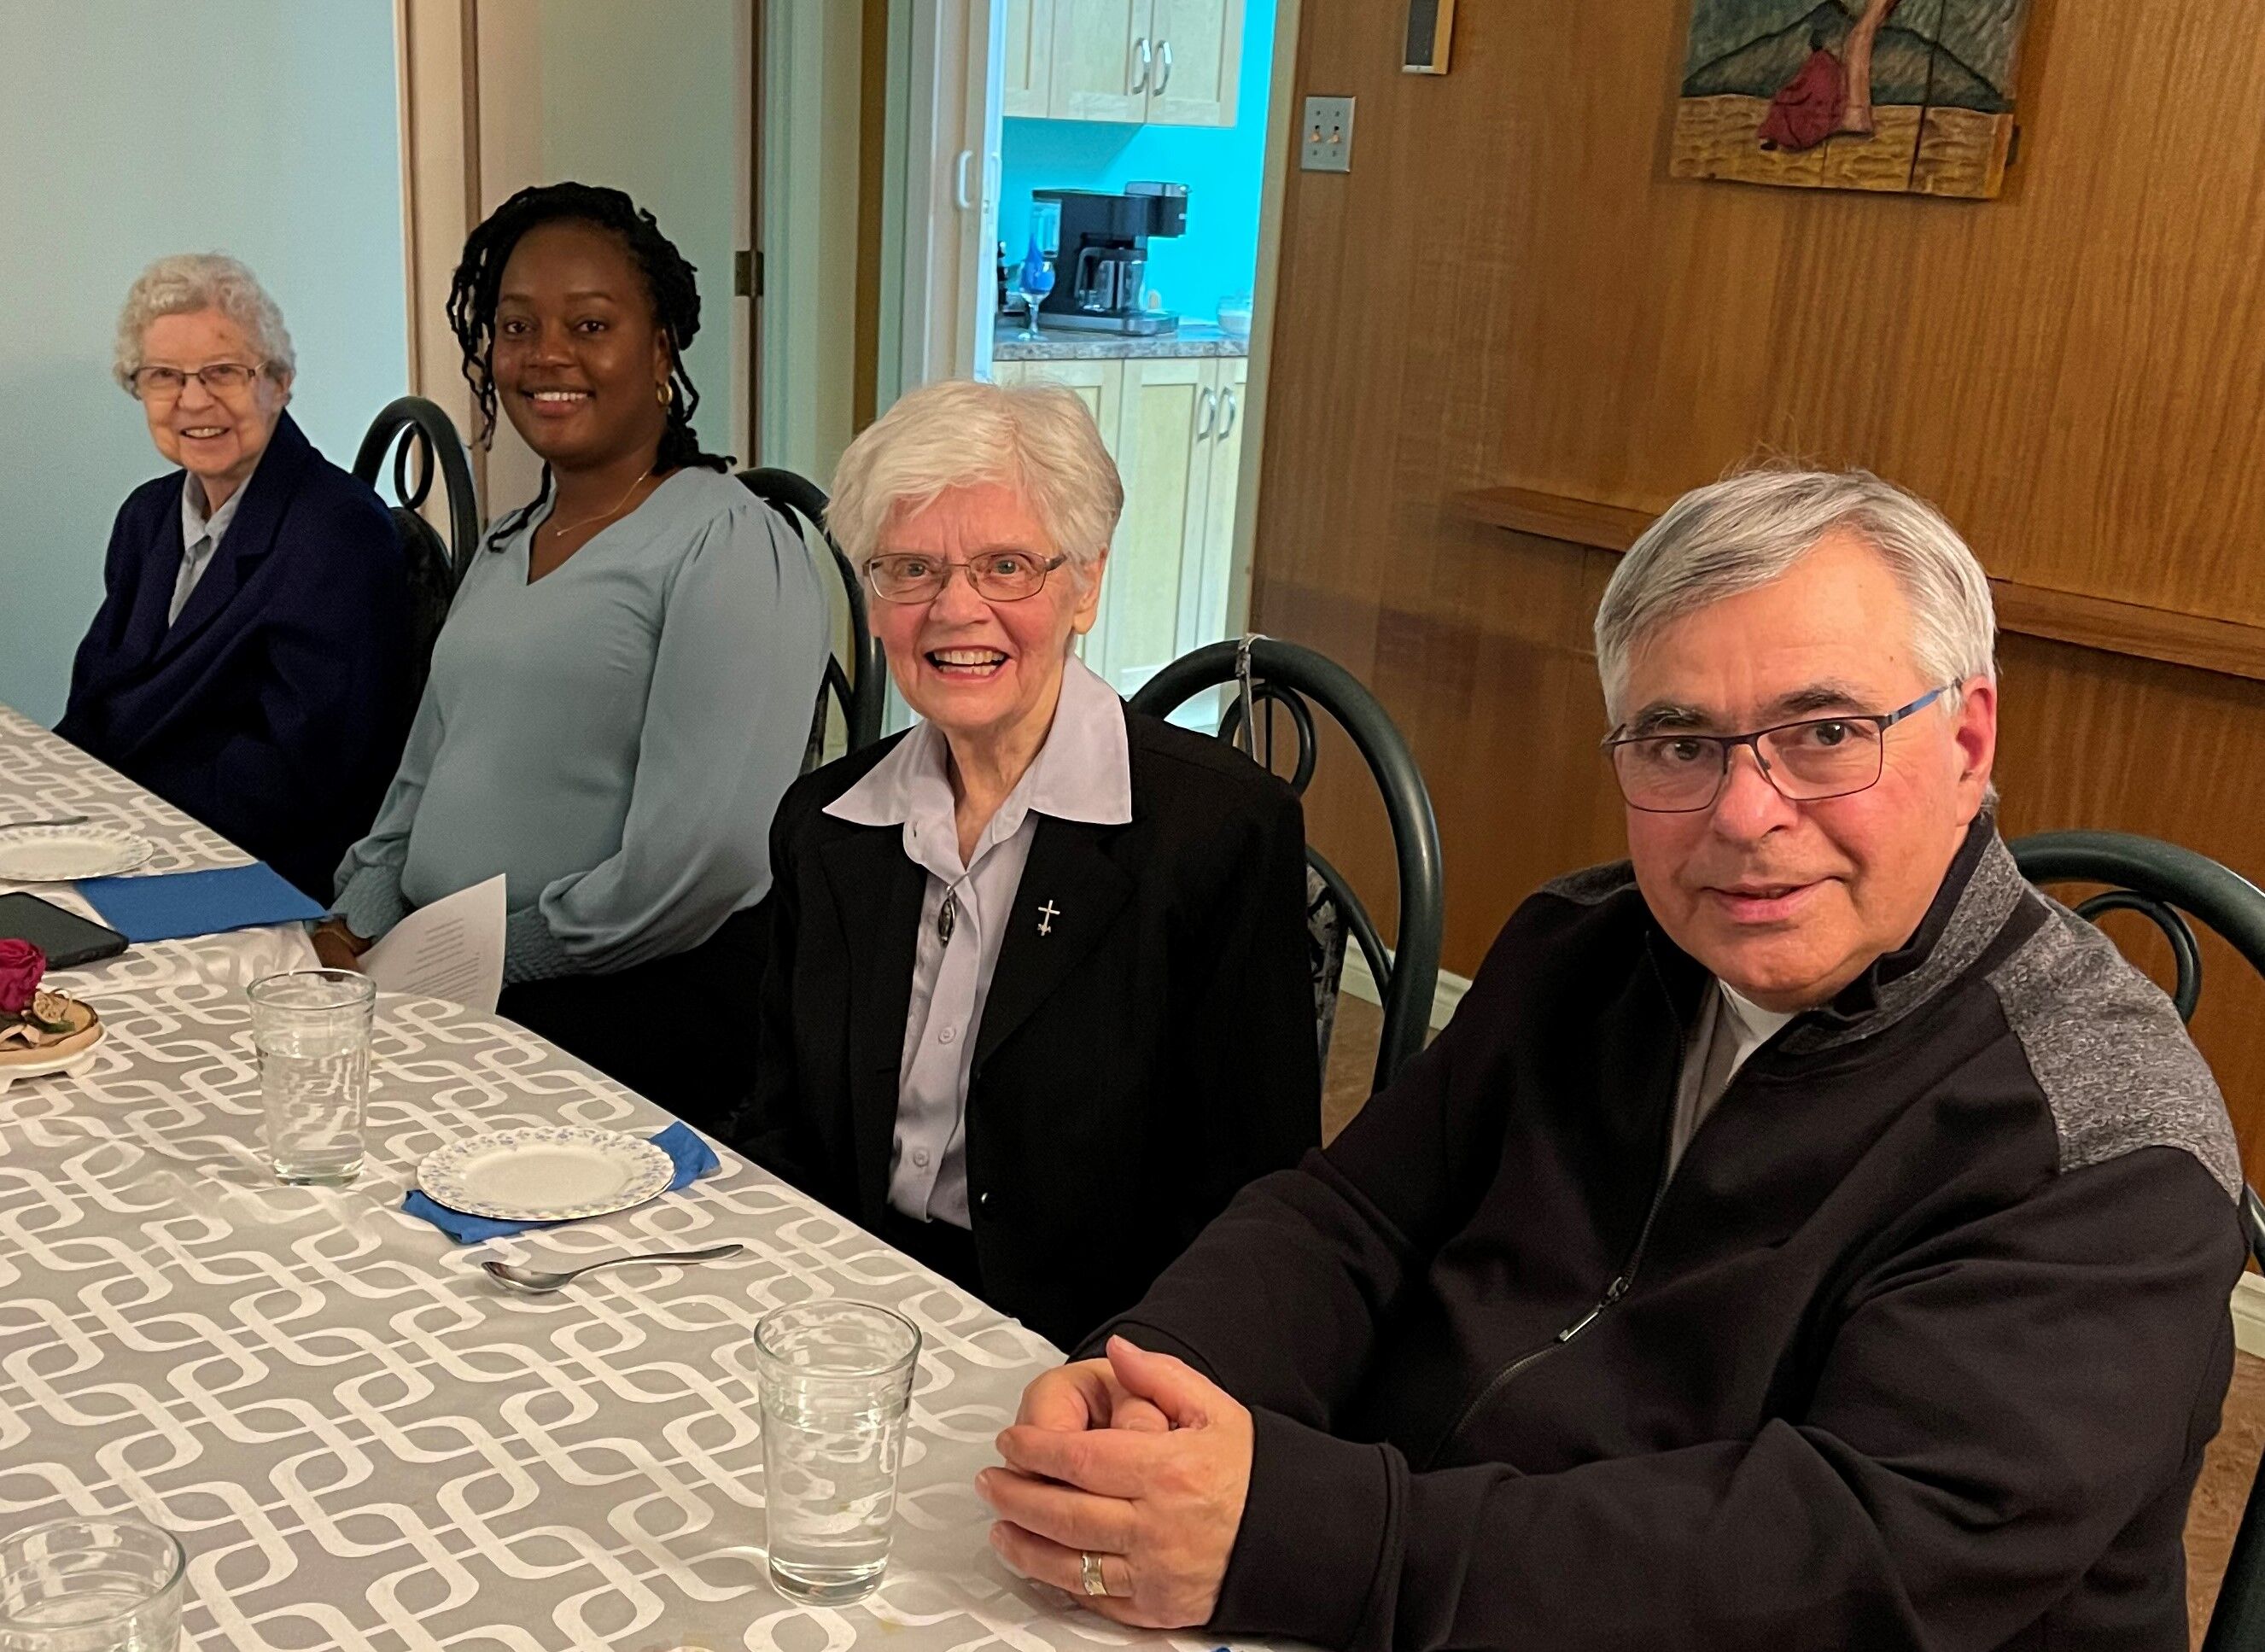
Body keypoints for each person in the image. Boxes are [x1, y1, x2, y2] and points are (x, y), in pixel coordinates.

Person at [981, 469, 2247, 1649]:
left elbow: (1856, 1561)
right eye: (1680, 744)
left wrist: (1306, 1537)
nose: (1744, 814)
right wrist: (1160, 1372)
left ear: (1967, 740)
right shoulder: (1582, 947)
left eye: (1824, 732)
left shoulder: (2100, 1140)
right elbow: (1353, 1213)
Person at [733, 378, 1320, 1351]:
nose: (955, 610)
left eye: (1006, 567)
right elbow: (780, 1123)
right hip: (836, 1302)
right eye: (911, 569)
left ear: (1084, 584)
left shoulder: (1218, 835)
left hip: (1087, 1343)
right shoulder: (825, 824)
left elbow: (1247, 1202)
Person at [324, 183, 826, 1124]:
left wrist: (479, 963)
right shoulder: (509, 541)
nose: (547, 355)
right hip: (442, 979)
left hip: (620, 1006)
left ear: (661, 348)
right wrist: (362, 915)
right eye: (517, 327)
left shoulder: (727, 544)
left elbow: (699, 865)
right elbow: (422, 776)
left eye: (590, 325)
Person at [57, 254, 413, 900]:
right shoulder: (146, 516)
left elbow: (299, 774)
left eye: (223, 372)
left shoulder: (337, 531)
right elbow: (94, 705)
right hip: (134, 843)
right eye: (164, 376)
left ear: (279, 383)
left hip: (256, 870)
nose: (194, 400)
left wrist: (121, 825)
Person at [1759, 30, 1847, 152]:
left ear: (1813, 45)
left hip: (1815, 111)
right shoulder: (1831, 60)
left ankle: (1776, 140)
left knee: (1780, 105)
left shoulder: (1816, 61)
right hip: (1828, 112)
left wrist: (1785, 93)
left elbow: (1803, 85)